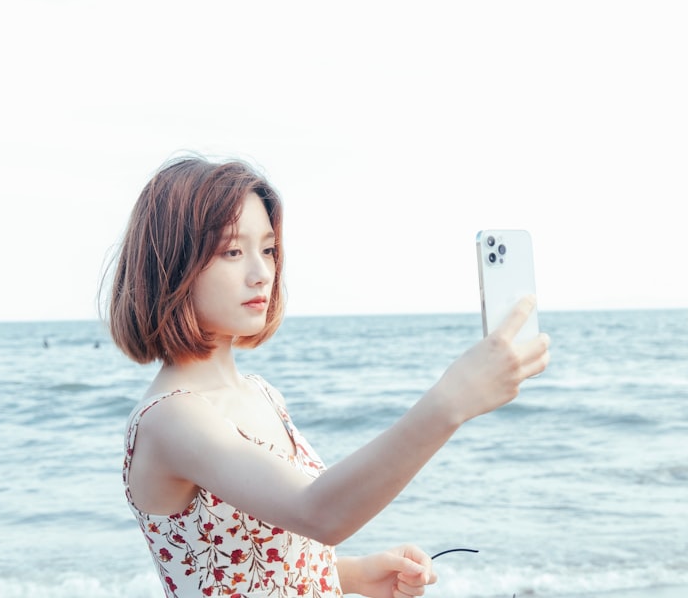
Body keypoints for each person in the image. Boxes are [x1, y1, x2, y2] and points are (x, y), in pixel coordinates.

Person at [105, 155, 551, 597]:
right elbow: (319, 512)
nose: (261, 274)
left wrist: (349, 574)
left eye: (268, 249)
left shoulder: (260, 393)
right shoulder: (172, 419)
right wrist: (452, 401)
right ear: (171, 264)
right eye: (232, 251)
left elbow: (242, 565)